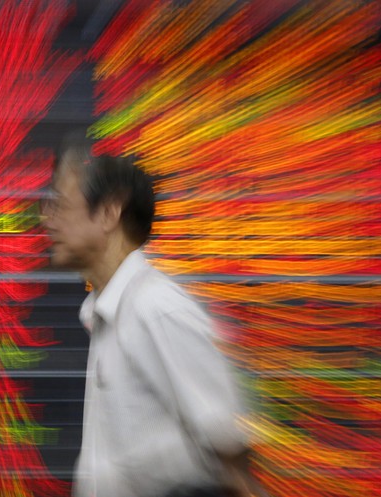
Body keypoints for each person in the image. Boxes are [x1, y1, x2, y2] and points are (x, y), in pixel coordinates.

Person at [41, 135, 259, 497]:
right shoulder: (108, 313)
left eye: (60, 205)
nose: (46, 220)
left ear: (109, 213)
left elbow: (230, 453)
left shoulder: (155, 307)